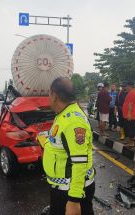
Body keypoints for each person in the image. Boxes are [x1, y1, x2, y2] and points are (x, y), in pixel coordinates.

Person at [42, 77, 95, 215]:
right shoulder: (64, 113)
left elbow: (80, 162)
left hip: (69, 191)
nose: (48, 98)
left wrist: (73, 200)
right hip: (63, 188)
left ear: (54, 95)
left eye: (49, 94)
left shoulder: (73, 121)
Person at [122, 81, 135, 147]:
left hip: (130, 115)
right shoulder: (133, 92)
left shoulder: (132, 93)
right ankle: (129, 141)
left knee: (130, 129)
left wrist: (129, 114)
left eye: (126, 86)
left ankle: (131, 143)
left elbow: (130, 104)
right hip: (131, 114)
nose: (126, 87)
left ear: (129, 86)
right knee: (130, 129)